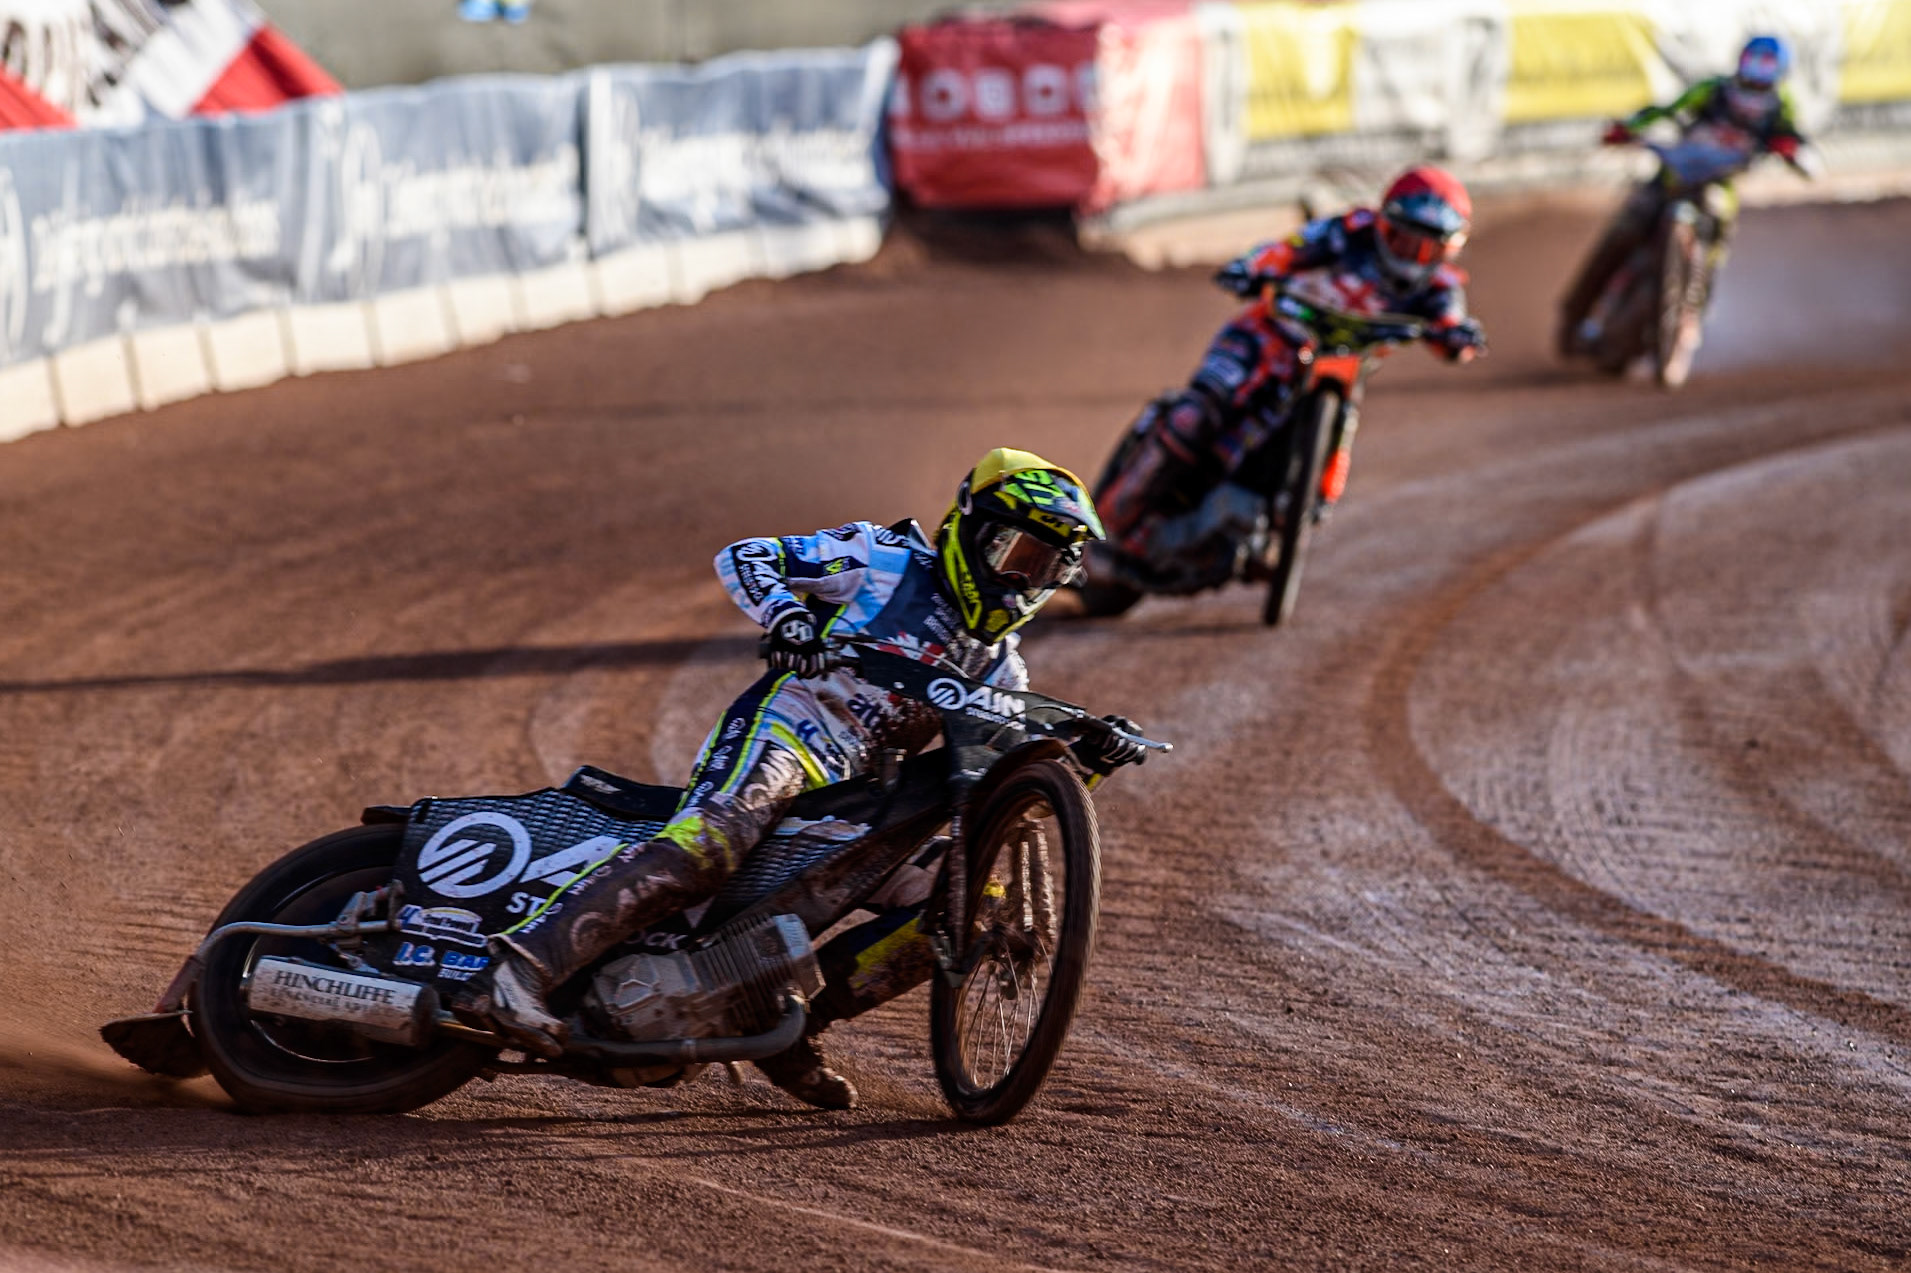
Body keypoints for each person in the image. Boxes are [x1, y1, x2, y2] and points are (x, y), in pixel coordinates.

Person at [455, 449, 1132, 1108]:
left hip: (860, 797)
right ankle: (517, 970)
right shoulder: (883, 560)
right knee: (711, 844)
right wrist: (788, 616)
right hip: (787, 735)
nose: (1020, 579)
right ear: (968, 529)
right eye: (1013, 553)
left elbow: (1012, 798)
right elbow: (745, 554)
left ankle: (795, 1025)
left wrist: (1085, 762)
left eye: (1042, 568)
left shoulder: (1001, 669)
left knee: (971, 904)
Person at [1093, 165, 1484, 581]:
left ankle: (1288, 514)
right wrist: (1250, 267)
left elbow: (1449, 333)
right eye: (1405, 240)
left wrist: (1459, 338)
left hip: (1337, 371)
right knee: (1195, 415)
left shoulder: (1440, 289)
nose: (1412, 257)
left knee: (1329, 455)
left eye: (1428, 249)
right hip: (1263, 340)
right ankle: (1103, 529)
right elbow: (1285, 250)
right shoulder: (1346, 233)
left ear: (1448, 250)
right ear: (1385, 223)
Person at [1559, 34, 1816, 355]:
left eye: (1765, 65)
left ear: (1779, 70)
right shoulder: (1714, 89)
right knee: (1625, 228)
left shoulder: (1781, 104)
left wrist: (1792, 150)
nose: (1756, 73)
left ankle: (1691, 315)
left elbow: (1798, 140)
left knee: (1716, 239)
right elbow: (1669, 109)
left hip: (1716, 184)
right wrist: (1629, 127)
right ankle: (1576, 309)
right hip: (1673, 176)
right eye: (1753, 62)